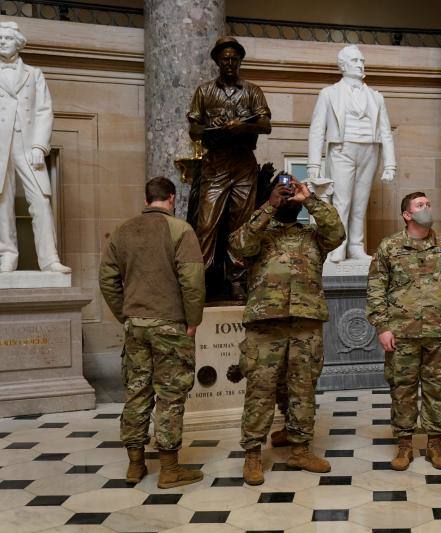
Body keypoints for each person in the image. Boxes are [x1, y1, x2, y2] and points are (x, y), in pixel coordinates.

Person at [229, 174, 345, 485]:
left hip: (305, 324)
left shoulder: (312, 236)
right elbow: (239, 245)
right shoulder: (259, 233)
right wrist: (269, 206)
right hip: (265, 325)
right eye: (283, 193)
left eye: (290, 192)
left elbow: (337, 232)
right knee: (261, 389)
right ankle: (252, 453)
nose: (286, 196)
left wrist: (310, 200)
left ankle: (300, 448)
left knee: (303, 388)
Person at [98, 177, 205, 489]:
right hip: (171, 324)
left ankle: (135, 465)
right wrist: (193, 319)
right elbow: (192, 279)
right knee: (170, 395)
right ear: (171, 198)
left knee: (136, 390)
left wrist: (126, 314)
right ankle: (170, 469)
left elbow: (107, 279)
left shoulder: (122, 231)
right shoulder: (180, 230)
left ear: (147, 199)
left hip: (136, 325)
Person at [366, 192, 441, 471]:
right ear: (407, 214)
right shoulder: (390, 247)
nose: (426, 208)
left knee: (438, 391)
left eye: (428, 203)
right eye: (420, 205)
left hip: (440, 334)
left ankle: (435, 445)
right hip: (402, 334)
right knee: (402, 391)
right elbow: (376, 289)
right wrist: (383, 326)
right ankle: (404, 446)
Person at [187, 36, 272, 298]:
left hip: (244, 163)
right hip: (215, 164)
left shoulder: (252, 90)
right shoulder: (204, 91)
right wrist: (215, 129)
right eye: (225, 59)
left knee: (241, 223)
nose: (230, 63)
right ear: (217, 61)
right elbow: (194, 129)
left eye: (235, 59)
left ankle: (238, 280)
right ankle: (201, 280)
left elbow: (266, 124)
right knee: (206, 222)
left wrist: (243, 126)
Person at [307, 44, 396, 263]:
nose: (360, 64)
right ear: (343, 66)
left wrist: (390, 164)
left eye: (361, 61)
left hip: (370, 150)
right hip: (342, 149)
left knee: (360, 201)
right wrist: (314, 166)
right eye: (355, 61)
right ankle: (338, 244)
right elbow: (317, 130)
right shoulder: (329, 94)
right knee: (342, 200)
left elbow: (386, 131)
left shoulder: (376, 97)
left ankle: (356, 245)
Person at [0, 21, 70, 273]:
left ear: (18, 42)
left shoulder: (34, 73)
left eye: (7, 38)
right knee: (2, 201)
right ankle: (7, 255)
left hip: (27, 144)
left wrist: (40, 145)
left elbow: (44, 110)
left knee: (40, 200)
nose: (2, 41)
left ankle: (49, 259)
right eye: (0, 38)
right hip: (0, 145)